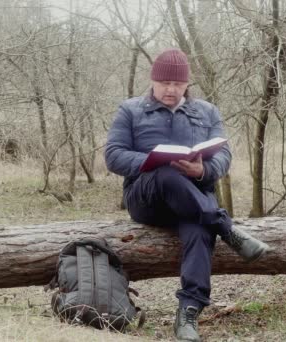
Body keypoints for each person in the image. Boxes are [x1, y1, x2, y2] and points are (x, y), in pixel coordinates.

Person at [104, 48, 270, 341]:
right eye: (165, 83)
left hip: (192, 200)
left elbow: (224, 157)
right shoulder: (130, 110)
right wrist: (150, 162)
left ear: (187, 84)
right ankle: (225, 226)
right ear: (153, 80)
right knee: (167, 173)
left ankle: (188, 313)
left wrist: (201, 171)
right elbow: (113, 156)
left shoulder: (207, 112)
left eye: (177, 84)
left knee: (199, 231)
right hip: (146, 198)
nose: (171, 90)